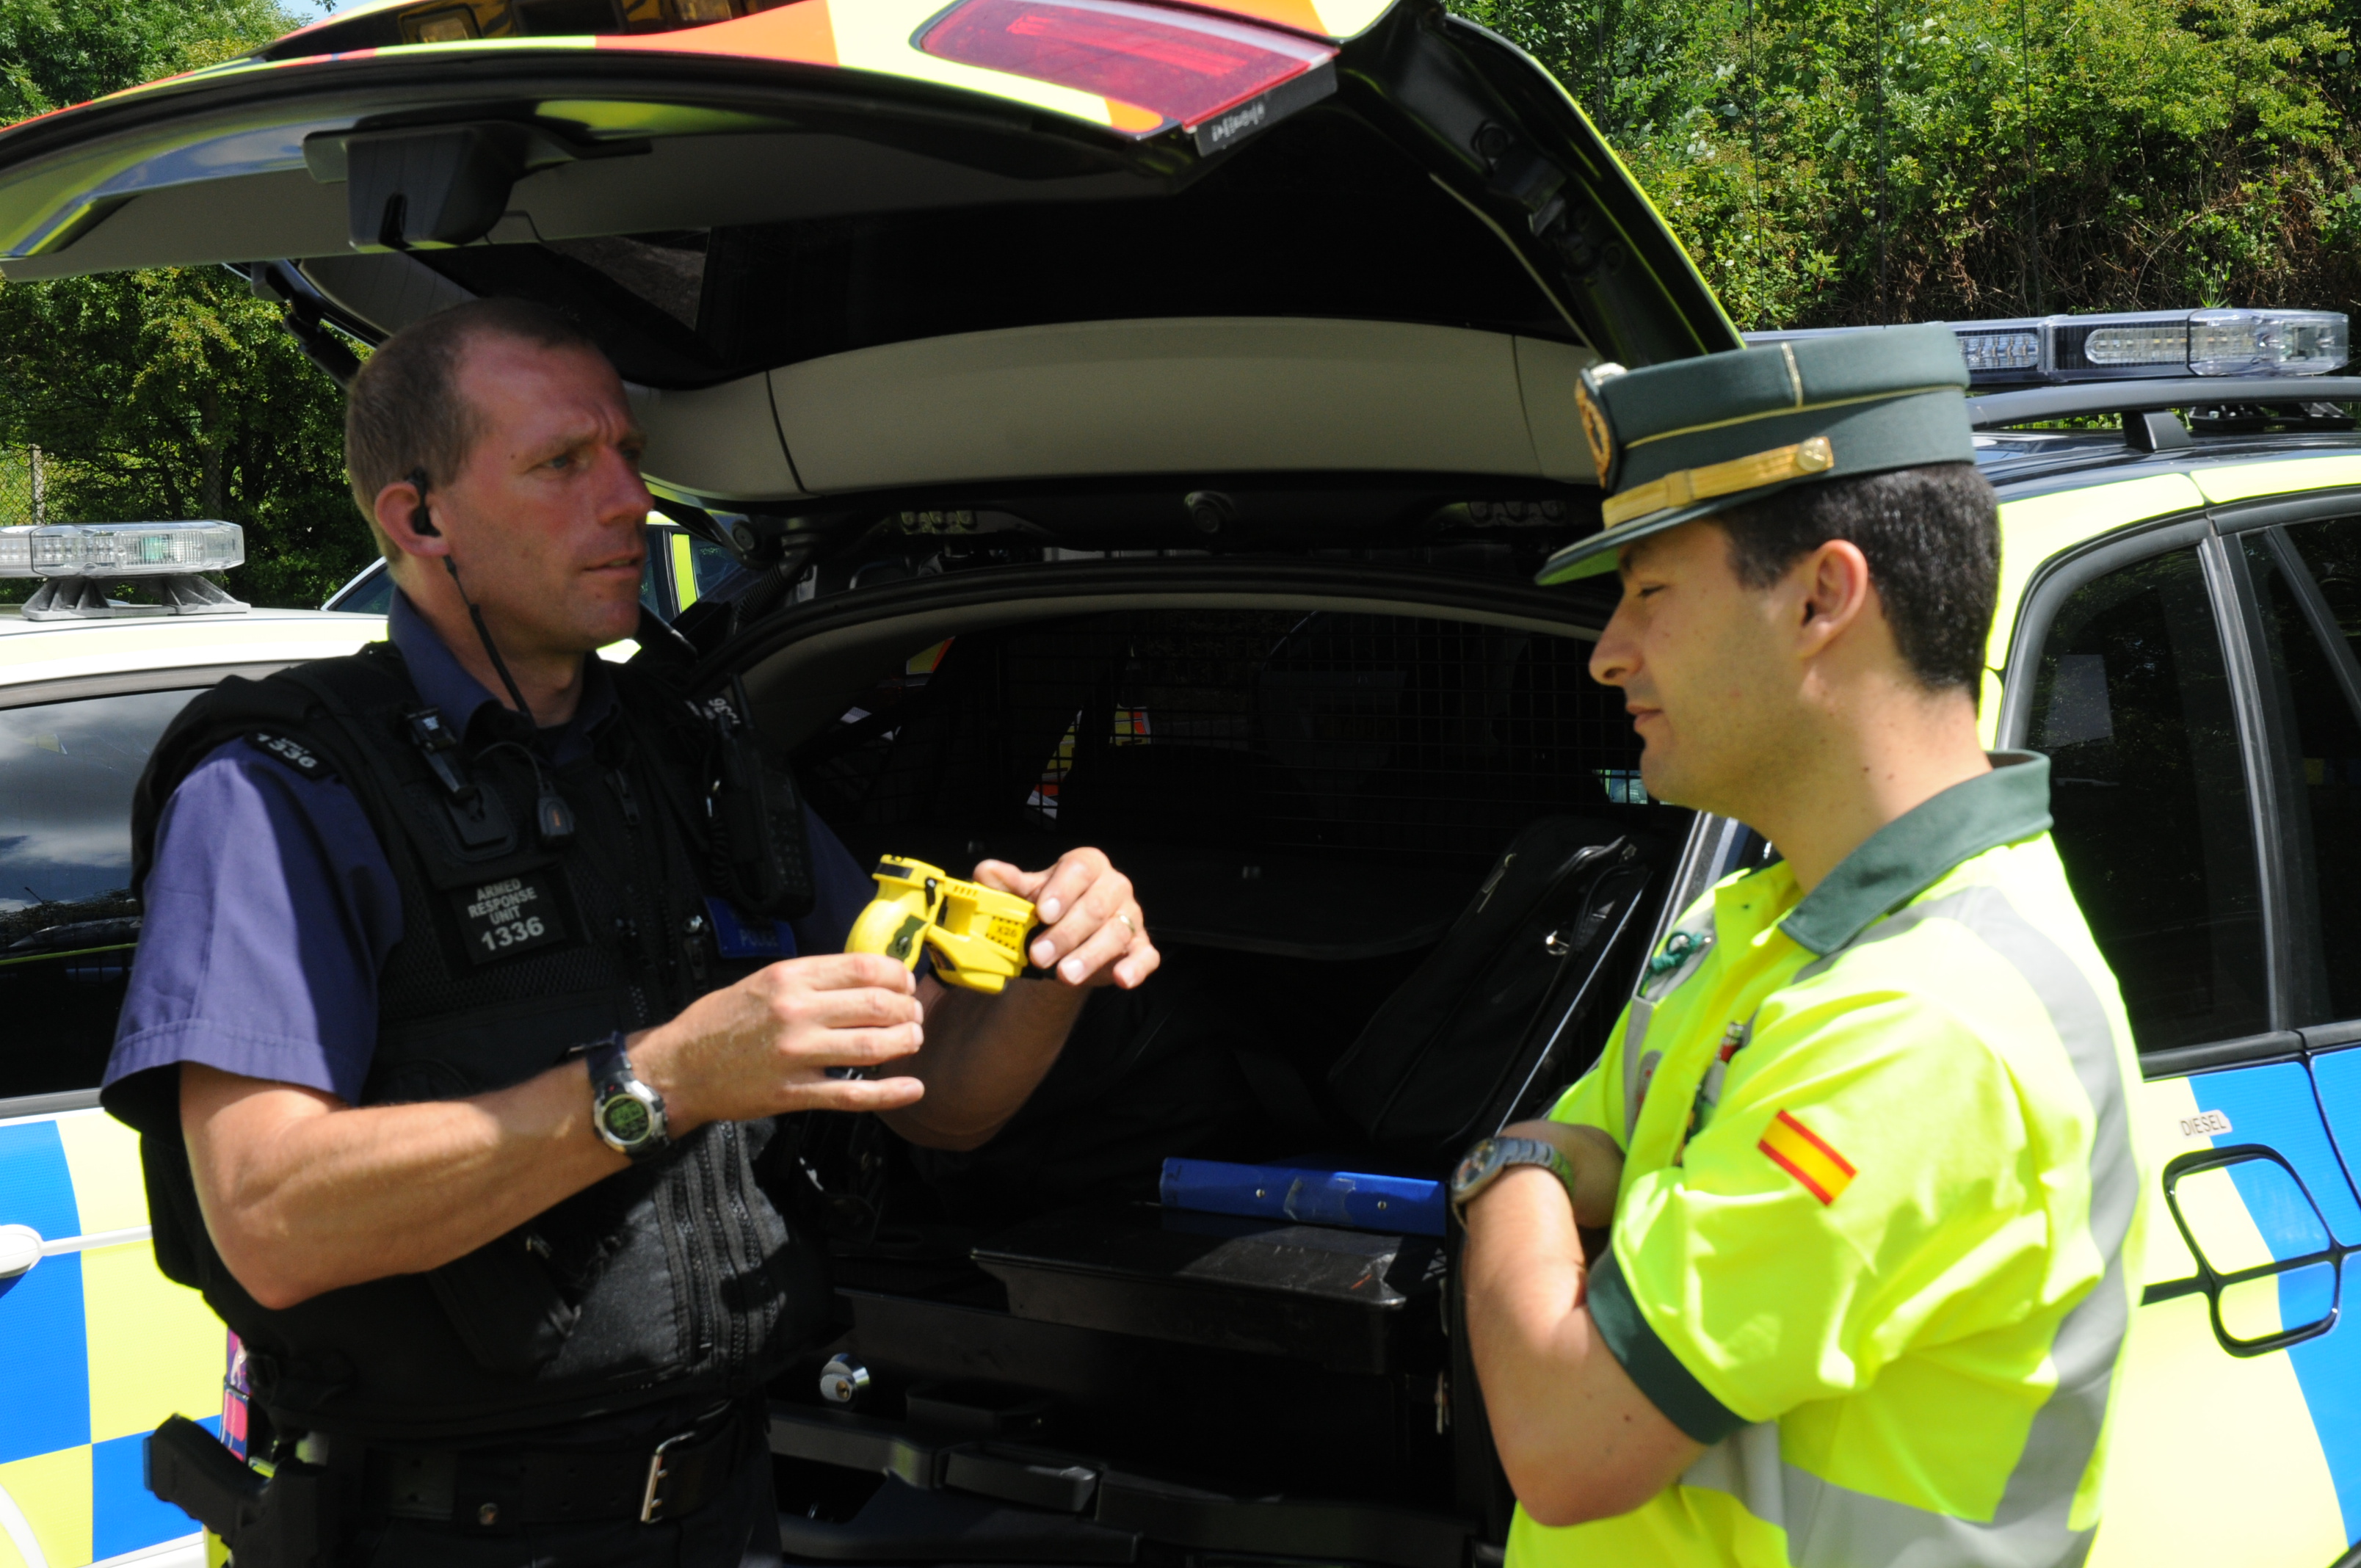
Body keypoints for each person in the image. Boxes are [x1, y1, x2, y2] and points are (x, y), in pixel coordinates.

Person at [101, 297, 1158, 1566]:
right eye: (562, 463)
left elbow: (941, 1102)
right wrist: (659, 1082)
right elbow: (271, 1220)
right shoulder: (283, 792)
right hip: (444, 1532)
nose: (632, 504)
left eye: (628, 455)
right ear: (419, 521)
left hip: (729, 1504)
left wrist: (1052, 967)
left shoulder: (690, 759)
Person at [1447, 324, 2148, 1568]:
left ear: (1824, 596)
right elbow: (1581, 1166)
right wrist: (1549, 1180)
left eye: (1650, 593)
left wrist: (1500, 1175)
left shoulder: (1926, 1019)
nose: (1607, 653)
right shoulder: (1754, 927)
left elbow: (1565, 1438)